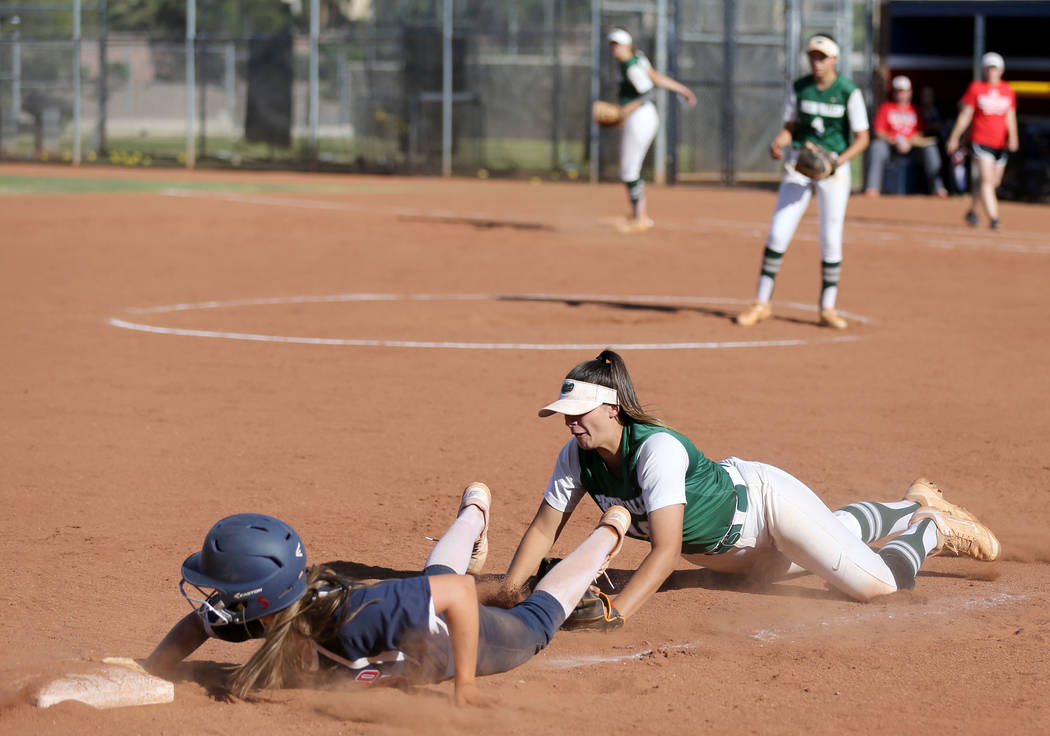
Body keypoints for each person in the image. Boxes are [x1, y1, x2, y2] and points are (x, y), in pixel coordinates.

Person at [502, 350, 1001, 625]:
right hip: (733, 557)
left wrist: (618, 612)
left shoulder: (656, 450)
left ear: (611, 408)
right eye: (563, 416)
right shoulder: (577, 456)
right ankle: (912, 502)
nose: (568, 424)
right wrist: (506, 591)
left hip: (766, 508)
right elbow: (544, 529)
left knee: (875, 587)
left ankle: (931, 526)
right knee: (829, 537)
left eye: (577, 413)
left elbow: (667, 548)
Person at [144, 483, 630, 706]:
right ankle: (474, 514)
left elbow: (461, 594)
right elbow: (194, 625)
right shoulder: (260, 610)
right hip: (415, 610)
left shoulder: (361, 617)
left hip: (458, 639)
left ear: (260, 595)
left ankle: (610, 530)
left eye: (227, 589)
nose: (219, 600)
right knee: (434, 573)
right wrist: (154, 667)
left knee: (538, 620)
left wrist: (465, 685)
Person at [734, 34, 870, 330]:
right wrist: (779, 142)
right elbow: (790, 128)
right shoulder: (800, 87)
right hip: (801, 163)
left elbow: (863, 138)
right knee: (778, 233)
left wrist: (836, 162)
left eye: (822, 56)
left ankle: (827, 307)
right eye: (812, 56)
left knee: (830, 238)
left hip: (833, 167)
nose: (816, 61)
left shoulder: (848, 91)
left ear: (834, 59)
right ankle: (761, 303)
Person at [606, 28, 697, 233]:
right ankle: (638, 214)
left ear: (628, 45)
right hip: (642, 117)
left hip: (641, 117)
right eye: (612, 44)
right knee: (629, 167)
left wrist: (624, 111)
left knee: (629, 169)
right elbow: (655, 77)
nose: (614, 48)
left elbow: (648, 93)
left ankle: (640, 218)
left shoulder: (631, 67)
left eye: (617, 44)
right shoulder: (637, 60)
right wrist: (681, 89)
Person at [946, 52, 1019, 230]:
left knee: (994, 183)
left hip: (999, 143)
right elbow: (965, 115)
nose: (991, 71)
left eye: (995, 68)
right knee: (986, 181)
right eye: (988, 68)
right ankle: (994, 218)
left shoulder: (1007, 90)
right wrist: (954, 137)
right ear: (983, 70)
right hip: (981, 140)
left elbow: (1010, 116)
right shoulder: (976, 88)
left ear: (1001, 70)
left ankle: (972, 211)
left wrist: (1013, 136)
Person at [864, 75, 948, 197]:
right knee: (877, 147)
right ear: (894, 93)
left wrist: (909, 142)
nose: (901, 94)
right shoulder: (886, 107)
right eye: (898, 91)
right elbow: (879, 132)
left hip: (912, 147)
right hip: (891, 146)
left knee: (930, 148)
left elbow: (920, 133)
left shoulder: (916, 110)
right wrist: (893, 140)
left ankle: (938, 188)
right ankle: (872, 188)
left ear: (910, 92)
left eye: (904, 91)